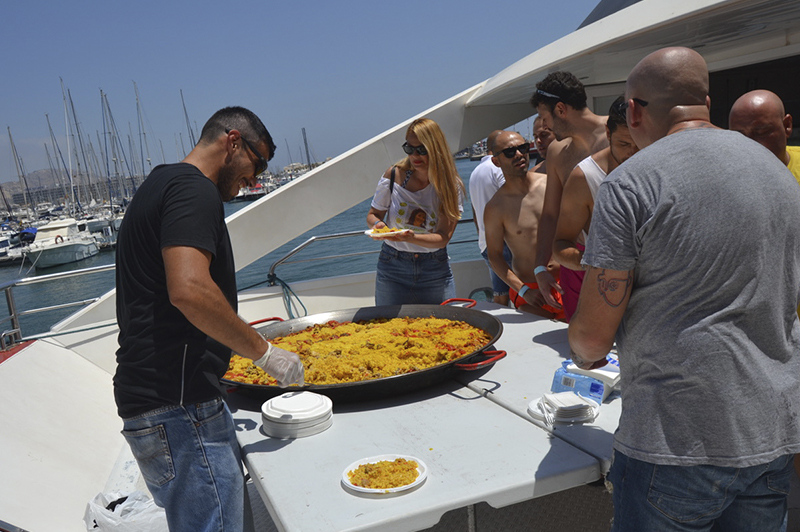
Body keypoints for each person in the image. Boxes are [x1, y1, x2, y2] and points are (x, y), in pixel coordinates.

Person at [569, 47, 800, 532]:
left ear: (633, 110)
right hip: (772, 431)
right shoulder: (779, 176)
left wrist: (588, 356)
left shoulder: (629, 184)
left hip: (673, 442)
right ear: (707, 102)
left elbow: (591, 338)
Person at [114, 107, 305, 532]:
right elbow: (189, 290)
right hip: (180, 409)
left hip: (152, 402)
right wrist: (266, 354)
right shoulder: (193, 190)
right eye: (258, 164)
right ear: (232, 142)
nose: (255, 180)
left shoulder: (158, 183)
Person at [552, 96, 639, 320]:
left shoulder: (657, 165)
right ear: (608, 135)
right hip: (605, 295)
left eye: (639, 143)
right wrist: (597, 265)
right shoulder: (584, 177)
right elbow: (560, 246)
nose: (633, 152)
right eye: (624, 144)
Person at [529, 71, 609, 311]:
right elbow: (550, 214)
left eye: (545, 117)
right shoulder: (556, 152)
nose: (544, 125)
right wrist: (540, 267)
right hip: (575, 261)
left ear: (561, 109)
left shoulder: (619, 136)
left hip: (623, 259)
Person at [366, 118, 465, 305]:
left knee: (444, 328)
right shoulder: (394, 175)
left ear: (436, 149)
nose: (415, 156)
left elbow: (443, 237)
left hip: (434, 269)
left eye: (422, 150)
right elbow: (373, 215)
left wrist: (409, 237)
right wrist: (379, 226)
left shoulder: (450, 185)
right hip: (392, 266)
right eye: (409, 149)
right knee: (389, 329)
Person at [483, 131, 563, 319]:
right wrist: (523, 290)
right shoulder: (496, 207)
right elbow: (494, 256)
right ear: (496, 161)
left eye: (523, 148)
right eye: (509, 152)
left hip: (566, 283)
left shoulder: (551, 185)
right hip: (533, 294)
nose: (519, 154)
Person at [469, 129, 512, 306]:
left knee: (500, 294)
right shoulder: (498, 169)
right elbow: (512, 200)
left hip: (485, 241)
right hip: (505, 241)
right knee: (517, 293)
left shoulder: (475, 173)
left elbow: (474, 212)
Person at [729, 89, 800, 182]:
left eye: (761, 132)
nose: (750, 144)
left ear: (787, 126)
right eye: (739, 136)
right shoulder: (726, 176)